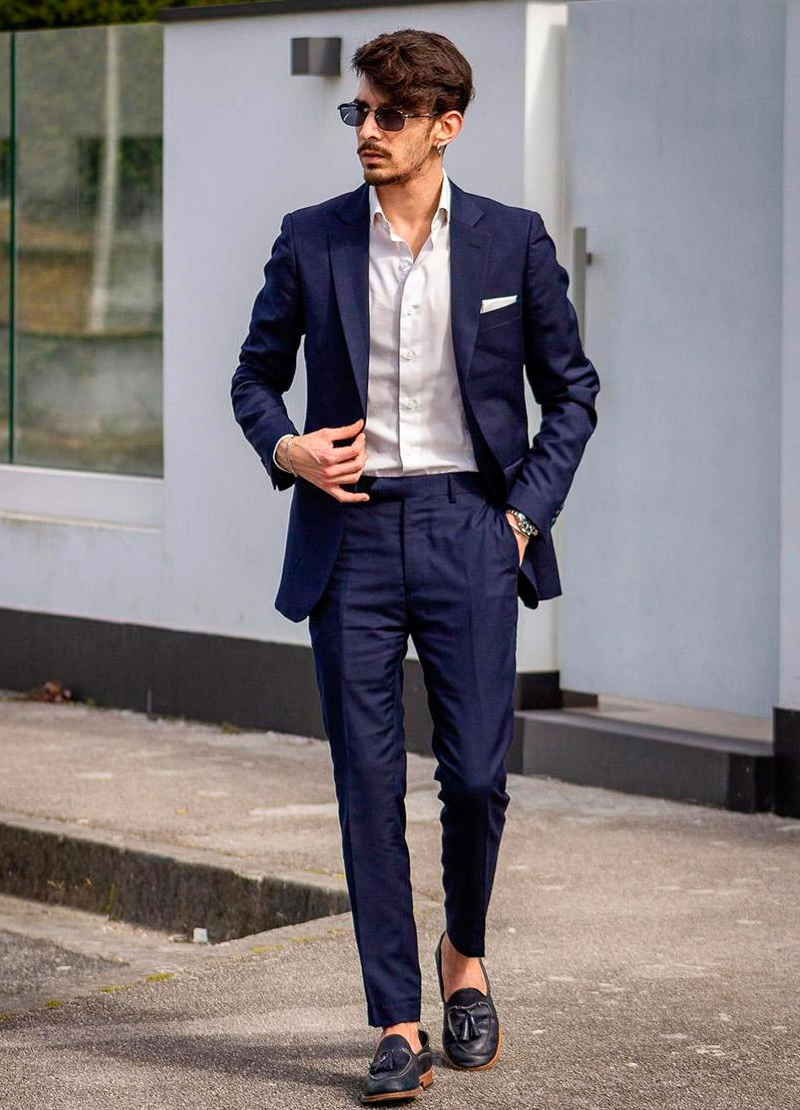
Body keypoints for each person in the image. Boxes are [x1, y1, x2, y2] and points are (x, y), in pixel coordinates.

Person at [231, 27, 600, 1104]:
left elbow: (570, 392)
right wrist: (286, 446)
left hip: (469, 528)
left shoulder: (510, 243)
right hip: (347, 531)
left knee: (477, 776)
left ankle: (463, 956)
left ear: (445, 125)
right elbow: (253, 378)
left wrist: (520, 520)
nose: (367, 133)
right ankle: (396, 1022)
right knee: (365, 784)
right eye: (358, 113)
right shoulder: (311, 241)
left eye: (389, 116)